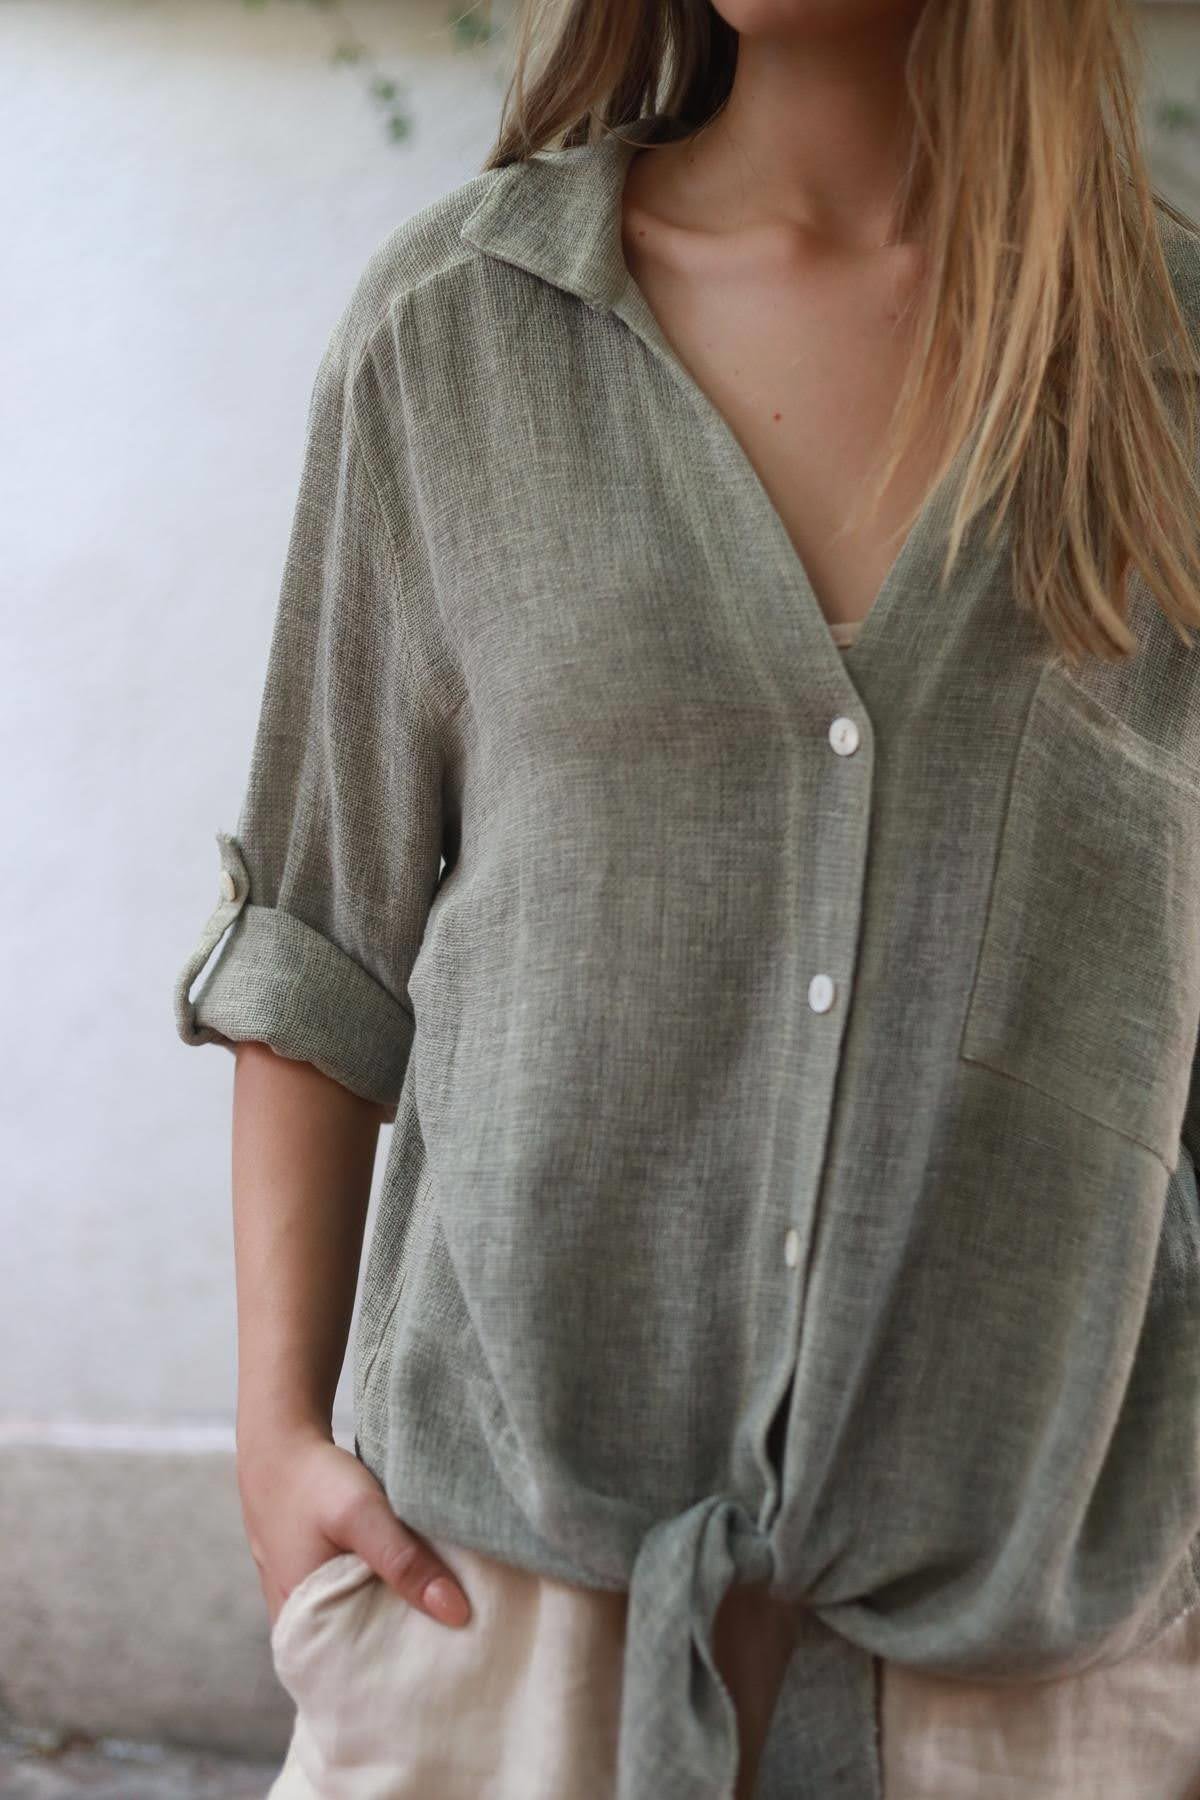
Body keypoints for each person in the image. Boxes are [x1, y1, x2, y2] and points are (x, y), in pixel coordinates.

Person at [173, 0, 1200, 1795]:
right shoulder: (462, 331)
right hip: (495, 1628)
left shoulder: (1169, 367)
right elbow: (321, 934)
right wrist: (276, 1438)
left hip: (1038, 1673)